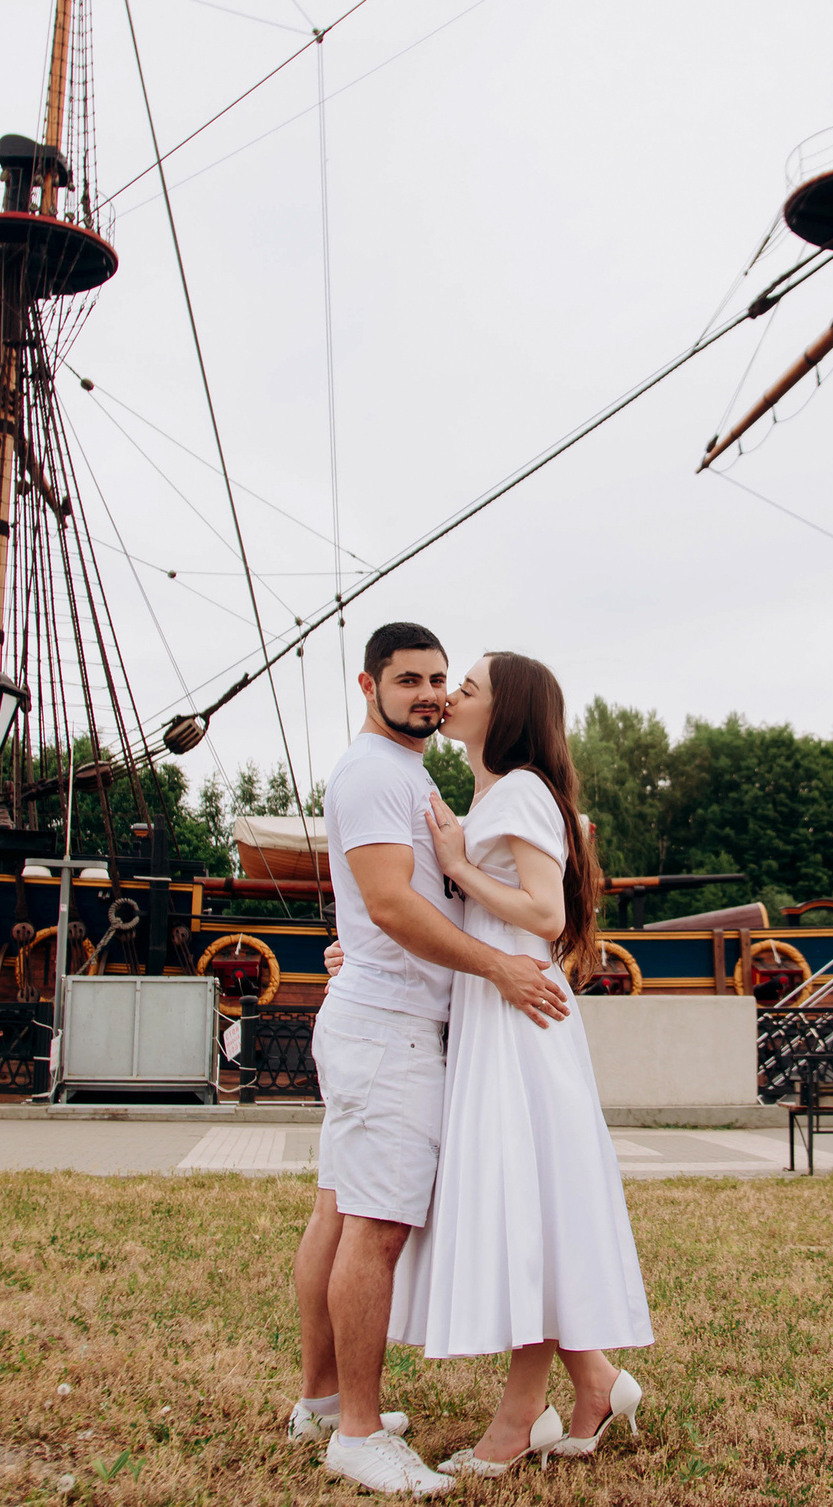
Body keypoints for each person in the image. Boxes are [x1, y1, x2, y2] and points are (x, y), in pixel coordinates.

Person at [288, 623, 572, 1499]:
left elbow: (385, 906)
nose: (428, 693)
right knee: (374, 1227)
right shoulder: (376, 773)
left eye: (440, 679)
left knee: (341, 1210)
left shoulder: (413, 776)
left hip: (382, 1021)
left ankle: (324, 1402)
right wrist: (501, 970)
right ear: (368, 683)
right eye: (409, 678)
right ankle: (361, 1434)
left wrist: (355, 948)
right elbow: (389, 904)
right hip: (391, 1033)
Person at [390, 651, 652, 1476]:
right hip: (498, 1010)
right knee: (529, 1204)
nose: (450, 696)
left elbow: (542, 909)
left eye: (467, 687)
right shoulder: (494, 792)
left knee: (525, 1205)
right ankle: (596, 1382)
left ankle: (519, 1417)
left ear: (504, 712)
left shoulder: (519, 792)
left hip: (519, 1018)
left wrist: (460, 864)